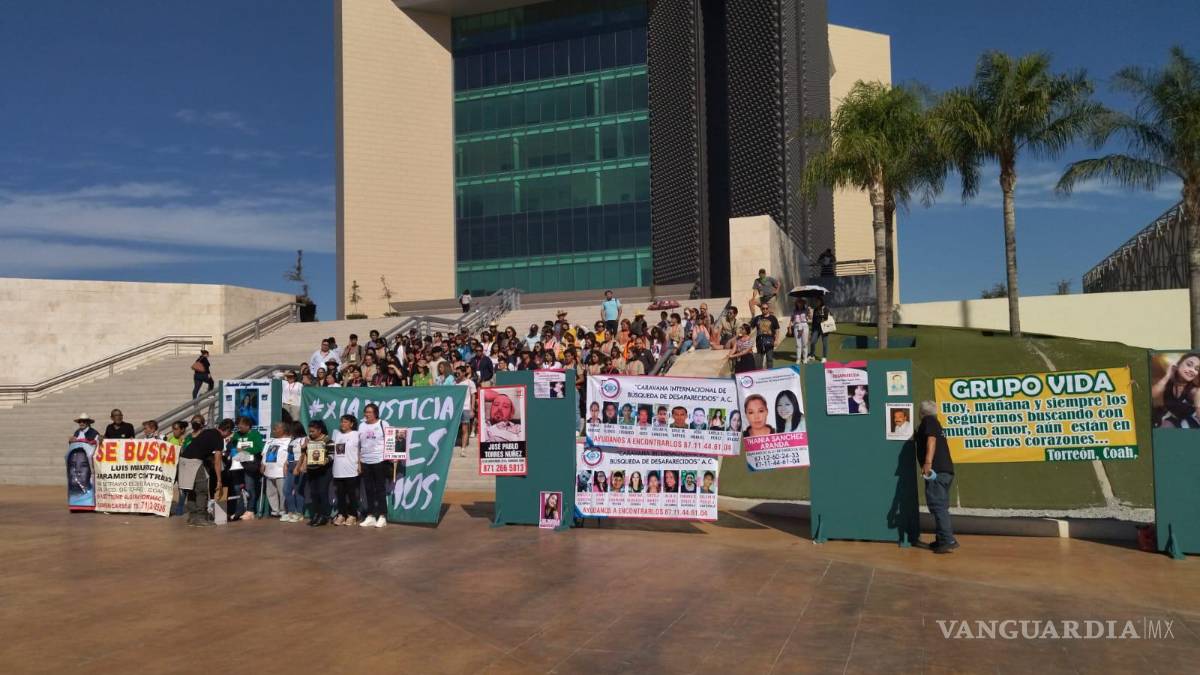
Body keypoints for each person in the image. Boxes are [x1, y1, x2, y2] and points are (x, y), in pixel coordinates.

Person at [917, 400, 957, 553]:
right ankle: (941, 539)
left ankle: (948, 540)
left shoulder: (929, 421)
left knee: (938, 506)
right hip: (945, 471)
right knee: (941, 506)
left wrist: (927, 463)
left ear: (922, 412)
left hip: (937, 472)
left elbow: (931, 439)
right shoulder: (935, 423)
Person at [179, 417, 233, 528]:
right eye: (230, 432)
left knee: (191, 489)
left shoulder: (208, 431)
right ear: (227, 430)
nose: (229, 434)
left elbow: (202, 448)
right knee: (202, 489)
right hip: (194, 462)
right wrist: (219, 480)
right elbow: (217, 461)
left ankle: (193, 517)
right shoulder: (219, 438)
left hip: (183, 460)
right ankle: (200, 518)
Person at [357, 404, 390, 528]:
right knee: (368, 489)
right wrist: (359, 462)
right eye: (366, 412)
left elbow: (391, 440)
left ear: (376, 413)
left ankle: (382, 516)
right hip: (365, 461)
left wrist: (393, 455)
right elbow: (359, 445)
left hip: (379, 460)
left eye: (370, 412)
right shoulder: (361, 425)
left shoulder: (383, 423)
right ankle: (370, 516)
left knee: (380, 489)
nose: (367, 414)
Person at [228, 416, 264, 520]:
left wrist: (244, 450)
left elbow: (259, 448)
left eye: (241, 426)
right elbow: (232, 446)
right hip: (237, 465)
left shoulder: (255, 434)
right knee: (237, 487)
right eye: (238, 427)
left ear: (248, 426)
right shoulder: (236, 435)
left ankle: (250, 510)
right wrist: (231, 445)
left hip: (250, 464)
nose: (239, 429)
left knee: (249, 487)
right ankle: (239, 510)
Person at [298, 420, 333, 526]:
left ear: (319, 430)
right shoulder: (309, 440)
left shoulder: (327, 440)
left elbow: (332, 455)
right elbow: (305, 454)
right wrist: (303, 448)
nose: (310, 433)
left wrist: (326, 460)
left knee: (322, 492)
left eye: (313, 431)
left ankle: (324, 516)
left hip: (324, 471)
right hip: (311, 470)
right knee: (314, 493)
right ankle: (316, 515)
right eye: (310, 431)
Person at [1152, 352, 1200, 428]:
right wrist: (1167, 376)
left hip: (1190, 422)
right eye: (1189, 364)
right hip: (1172, 417)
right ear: (1178, 365)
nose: (1192, 370)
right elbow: (1152, 395)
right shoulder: (1169, 382)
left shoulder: (1195, 391)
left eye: (1196, 369)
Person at [331, 414, 361, 527]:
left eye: (345, 422)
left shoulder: (356, 434)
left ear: (351, 424)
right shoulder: (337, 435)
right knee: (340, 494)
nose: (342, 424)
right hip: (338, 470)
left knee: (352, 494)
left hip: (351, 470)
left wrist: (359, 465)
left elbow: (360, 451)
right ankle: (342, 514)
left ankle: (353, 515)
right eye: (342, 421)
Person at [261, 422, 292, 518]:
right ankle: (275, 510)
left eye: (276, 428)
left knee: (283, 493)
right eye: (273, 428)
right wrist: (262, 464)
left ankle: (283, 510)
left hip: (281, 471)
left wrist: (287, 464)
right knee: (271, 492)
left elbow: (291, 455)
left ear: (283, 429)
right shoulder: (270, 440)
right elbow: (264, 454)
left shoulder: (289, 441)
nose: (273, 430)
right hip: (269, 470)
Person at [283, 421, 308, 522]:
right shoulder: (292, 440)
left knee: (298, 490)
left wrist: (299, 467)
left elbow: (305, 454)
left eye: (291, 429)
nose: (290, 431)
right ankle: (291, 512)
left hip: (298, 465)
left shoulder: (304, 439)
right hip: (290, 465)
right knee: (286, 490)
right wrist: (286, 463)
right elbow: (290, 453)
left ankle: (299, 513)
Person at [454, 366, 477, 455]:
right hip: (456, 409)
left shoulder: (470, 382)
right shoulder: (454, 383)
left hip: (466, 408)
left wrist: (472, 408)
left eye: (459, 373)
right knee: (454, 428)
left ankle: (463, 449)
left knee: (465, 428)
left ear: (464, 373)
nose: (457, 374)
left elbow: (473, 395)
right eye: (456, 373)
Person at [754, 303, 780, 369]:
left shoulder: (773, 318)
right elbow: (751, 328)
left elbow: (777, 329)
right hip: (759, 341)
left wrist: (776, 340)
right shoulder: (757, 318)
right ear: (761, 309)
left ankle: (770, 372)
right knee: (759, 359)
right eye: (763, 308)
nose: (765, 310)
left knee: (769, 359)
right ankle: (760, 373)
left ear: (768, 309)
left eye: (766, 308)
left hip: (770, 341)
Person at [809, 297, 831, 363]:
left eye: (818, 301)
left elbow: (826, 317)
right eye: (816, 301)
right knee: (812, 341)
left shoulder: (825, 308)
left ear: (821, 301)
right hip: (816, 328)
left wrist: (820, 315)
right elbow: (813, 321)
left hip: (824, 328)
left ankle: (824, 357)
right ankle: (812, 355)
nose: (817, 302)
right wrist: (812, 331)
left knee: (824, 343)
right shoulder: (815, 309)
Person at [790, 298, 810, 364]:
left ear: (803, 303)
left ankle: (805, 358)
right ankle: (798, 358)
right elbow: (791, 319)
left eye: (801, 302)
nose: (800, 304)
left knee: (805, 343)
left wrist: (809, 312)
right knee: (798, 344)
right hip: (797, 326)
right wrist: (789, 327)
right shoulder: (794, 311)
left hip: (804, 326)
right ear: (796, 303)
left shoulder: (806, 310)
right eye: (798, 302)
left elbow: (810, 318)